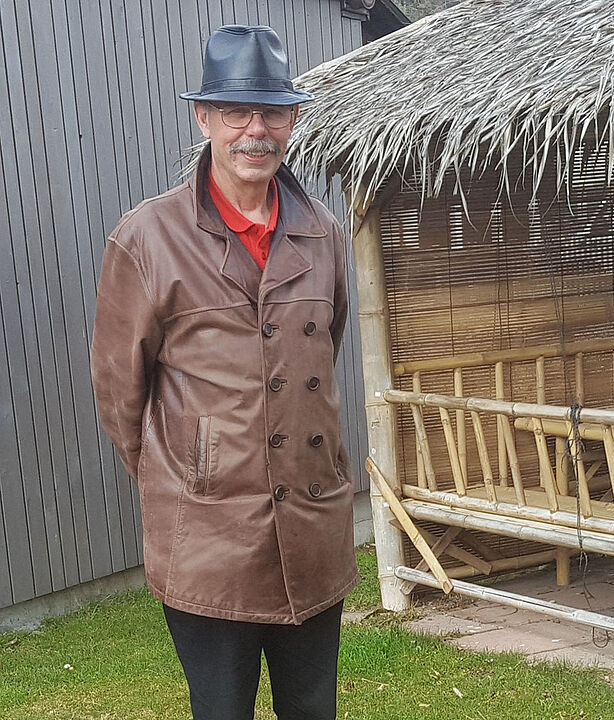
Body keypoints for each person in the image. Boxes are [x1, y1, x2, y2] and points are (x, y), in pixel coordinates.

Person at [90, 25, 357, 720]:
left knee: (313, 710)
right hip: (209, 543)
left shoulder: (323, 232)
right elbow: (122, 396)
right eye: (236, 112)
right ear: (203, 117)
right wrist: (193, 472)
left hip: (312, 530)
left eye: (271, 111)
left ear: (294, 120)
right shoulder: (146, 237)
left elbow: (325, 345)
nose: (255, 130)